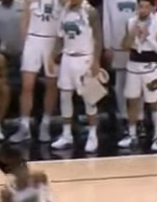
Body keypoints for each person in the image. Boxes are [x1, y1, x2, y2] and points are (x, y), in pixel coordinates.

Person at [50, 0, 104, 152]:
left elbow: (98, 38)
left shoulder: (90, 11)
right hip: (67, 58)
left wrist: (96, 61)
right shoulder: (63, 11)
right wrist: (53, 54)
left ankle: (93, 135)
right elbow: (60, 36)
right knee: (65, 96)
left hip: (85, 58)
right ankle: (66, 134)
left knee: (89, 99)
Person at [9, 0, 63, 143]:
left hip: (53, 40)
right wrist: (25, 42)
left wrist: (58, 47)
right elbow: (25, 18)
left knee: (52, 86)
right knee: (27, 85)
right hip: (33, 39)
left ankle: (45, 124)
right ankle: (24, 126)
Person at [118, 0, 157, 151]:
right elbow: (124, 46)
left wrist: (149, 37)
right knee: (132, 101)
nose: (143, 10)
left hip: (150, 67)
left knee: (154, 102)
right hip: (133, 65)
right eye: (141, 6)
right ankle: (132, 134)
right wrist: (132, 34)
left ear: (152, 8)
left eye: (146, 7)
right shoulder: (130, 22)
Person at [103, 0, 137, 132]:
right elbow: (106, 22)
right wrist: (107, 45)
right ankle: (123, 115)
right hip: (117, 45)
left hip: (136, 45)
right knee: (120, 84)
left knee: (137, 83)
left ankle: (139, 117)